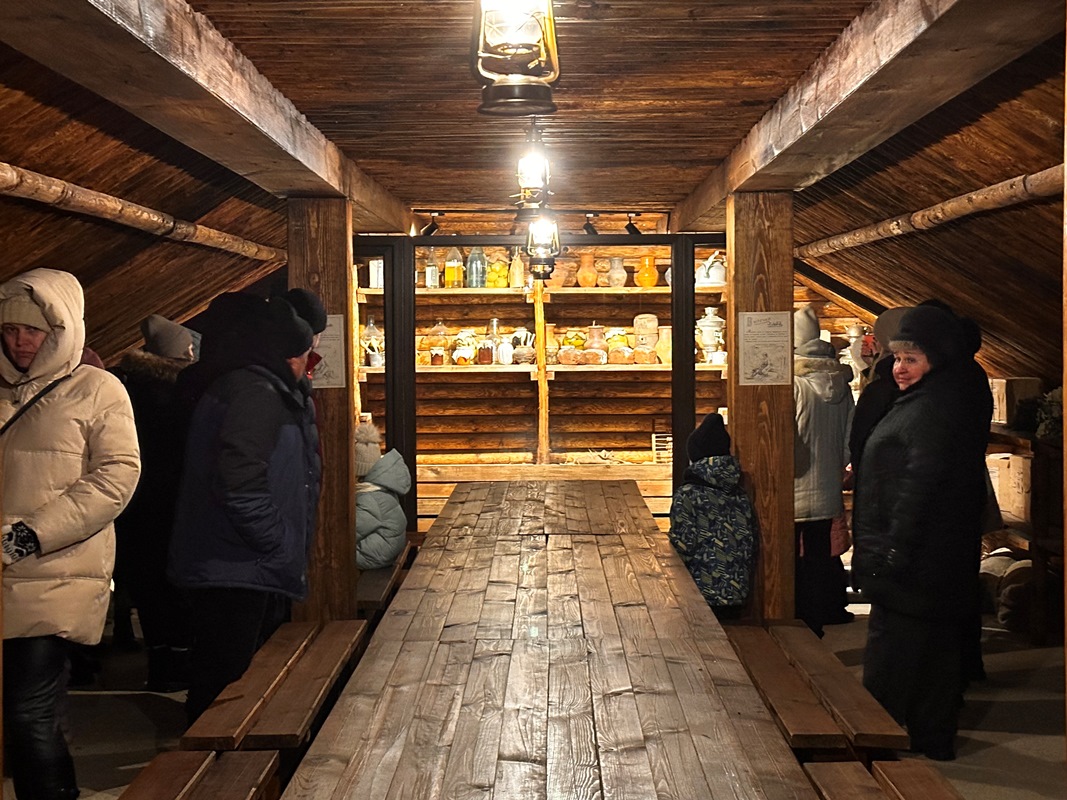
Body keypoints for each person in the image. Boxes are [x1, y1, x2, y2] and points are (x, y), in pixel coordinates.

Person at [0, 268, 141, 800]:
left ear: (61, 330)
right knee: (26, 715)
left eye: (33, 331)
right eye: (10, 330)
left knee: (28, 713)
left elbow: (116, 476)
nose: (21, 342)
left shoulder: (97, 389)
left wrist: (28, 536)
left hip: (53, 573)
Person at [167, 295, 321, 723]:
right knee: (225, 685)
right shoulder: (255, 393)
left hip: (241, 561)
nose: (308, 366)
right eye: (306, 357)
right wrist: (276, 540)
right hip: (235, 562)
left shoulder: (261, 388)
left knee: (237, 679)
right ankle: (212, 760)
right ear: (285, 355)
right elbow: (239, 481)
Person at [851, 305, 990, 761]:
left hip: (912, 564)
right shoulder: (935, 398)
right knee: (935, 657)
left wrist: (889, 557)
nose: (899, 368)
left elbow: (916, 488)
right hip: (933, 561)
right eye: (896, 358)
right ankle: (933, 739)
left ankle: (874, 748)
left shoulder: (931, 409)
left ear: (937, 359)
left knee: (891, 662)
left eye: (911, 359)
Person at [112, 314, 198, 692]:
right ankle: (179, 662)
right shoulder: (181, 395)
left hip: (134, 503)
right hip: (175, 501)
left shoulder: (127, 390)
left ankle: (159, 663)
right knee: (176, 588)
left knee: (147, 588)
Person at [792, 305, 855, 637]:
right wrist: (836, 468)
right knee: (818, 557)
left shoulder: (793, 385)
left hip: (794, 487)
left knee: (790, 559)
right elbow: (849, 440)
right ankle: (815, 623)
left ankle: (795, 620)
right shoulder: (841, 385)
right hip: (827, 487)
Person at [668, 412, 758, 613]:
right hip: (738, 598)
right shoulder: (740, 494)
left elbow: (681, 549)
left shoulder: (689, 495)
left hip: (700, 598)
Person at [355, 448, 412, 570]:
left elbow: (351, 532)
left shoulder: (370, 498)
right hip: (384, 552)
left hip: (373, 556)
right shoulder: (380, 490)